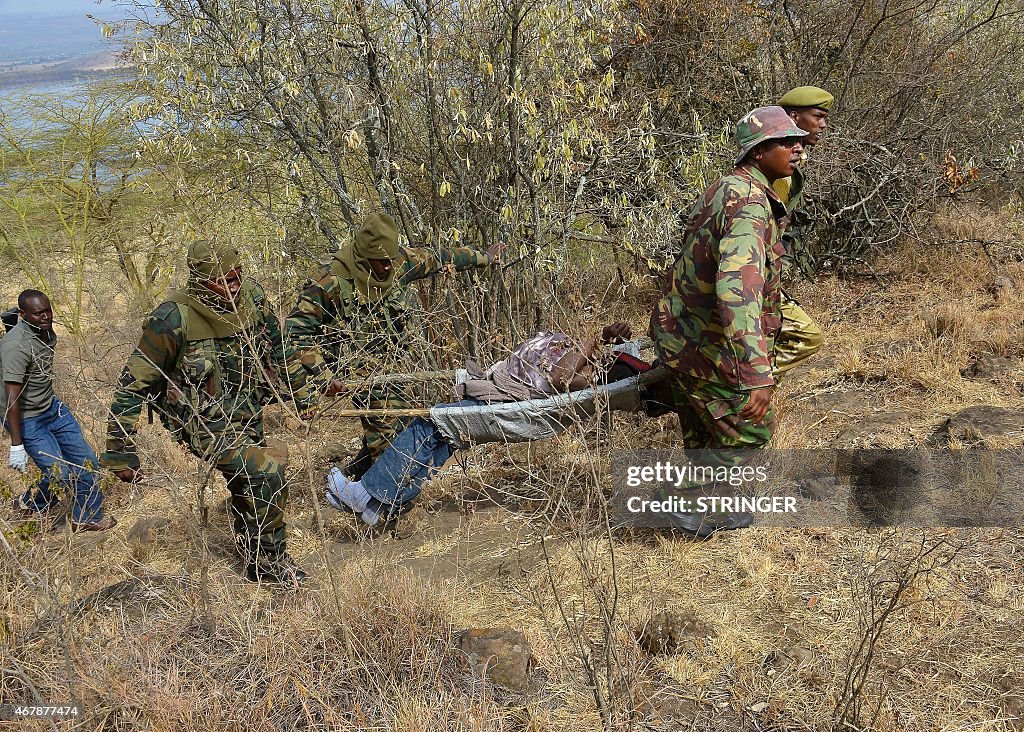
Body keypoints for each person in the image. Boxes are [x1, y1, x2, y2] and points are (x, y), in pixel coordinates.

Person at [101, 241, 314, 586]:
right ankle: (272, 563)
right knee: (266, 471)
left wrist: (304, 396)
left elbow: (279, 345)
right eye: (223, 281)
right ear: (200, 280)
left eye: (237, 278)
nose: (232, 288)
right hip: (202, 423)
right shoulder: (173, 318)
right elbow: (133, 383)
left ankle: (256, 560)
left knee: (250, 484)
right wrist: (119, 450)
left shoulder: (253, 299)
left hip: (247, 411)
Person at [649, 106, 807, 537]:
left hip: (682, 332)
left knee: (705, 432)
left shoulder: (728, 187)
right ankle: (675, 504)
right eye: (784, 142)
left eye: (797, 139)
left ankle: (709, 512)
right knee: (749, 430)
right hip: (703, 340)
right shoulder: (750, 206)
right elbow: (737, 294)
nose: (797, 147)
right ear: (757, 152)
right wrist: (756, 372)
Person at [324, 323, 633, 526]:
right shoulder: (591, 366)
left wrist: (594, 341)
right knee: (443, 436)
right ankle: (379, 506)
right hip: (506, 401)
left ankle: (365, 494)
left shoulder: (589, 377)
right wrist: (597, 343)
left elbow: (560, 378)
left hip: (508, 407)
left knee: (430, 423)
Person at [286, 211, 504, 479]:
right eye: (381, 262)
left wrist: (484, 257)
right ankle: (384, 504)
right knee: (390, 432)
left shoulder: (398, 261)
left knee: (394, 422)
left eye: (391, 259)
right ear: (365, 257)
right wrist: (323, 376)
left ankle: (361, 470)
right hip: (354, 366)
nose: (388, 267)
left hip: (391, 360)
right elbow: (295, 332)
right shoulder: (331, 281)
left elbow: (439, 258)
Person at [2, 290, 114, 531]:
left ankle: (85, 518)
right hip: (26, 417)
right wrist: (16, 445)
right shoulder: (15, 347)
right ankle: (30, 501)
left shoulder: (45, 330)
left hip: (52, 408)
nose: (46, 316)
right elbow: (11, 397)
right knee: (59, 474)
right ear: (24, 315)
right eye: (38, 313)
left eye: (48, 310)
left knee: (88, 463)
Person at [773, 85, 834, 375]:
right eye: (818, 116)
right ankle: (743, 393)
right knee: (806, 336)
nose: (823, 125)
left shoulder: (790, 158)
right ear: (794, 117)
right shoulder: (776, 163)